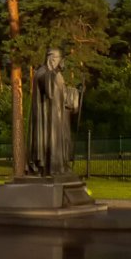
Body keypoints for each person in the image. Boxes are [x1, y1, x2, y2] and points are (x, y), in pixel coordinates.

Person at [27, 47, 82, 176]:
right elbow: (49, 91)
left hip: (58, 116)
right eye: (59, 59)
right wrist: (56, 70)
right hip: (48, 118)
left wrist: (75, 92)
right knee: (51, 140)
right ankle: (51, 168)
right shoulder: (42, 73)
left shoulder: (56, 75)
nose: (61, 62)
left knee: (61, 139)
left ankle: (60, 165)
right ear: (52, 59)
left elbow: (62, 94)